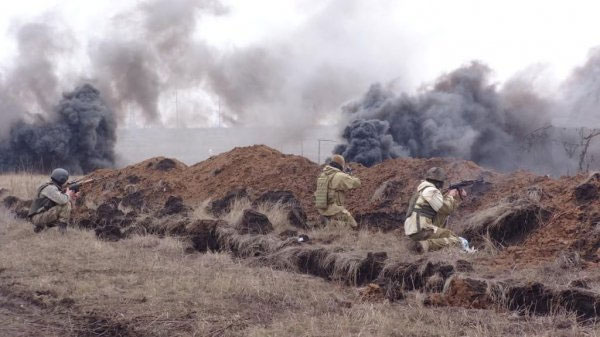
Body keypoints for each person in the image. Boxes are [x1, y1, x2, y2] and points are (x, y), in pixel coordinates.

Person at [404, 167, 468, 253]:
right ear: (439, 182)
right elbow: (446, 209)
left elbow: (438, 205)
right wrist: (451, 196)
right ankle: (425, 245)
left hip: (416, 229)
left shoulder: (423, 190)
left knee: (449, 234)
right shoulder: (431, 191)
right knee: (455, 240)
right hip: (421, 229)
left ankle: (423, 244)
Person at [314, 154, 361, 229]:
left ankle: (329, 224)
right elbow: (357, 183)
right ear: (341, 165)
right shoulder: (339, 176)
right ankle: (334, 226)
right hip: (335, 210)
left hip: (322, 209)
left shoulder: (323, 175)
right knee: (354, 226)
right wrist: (349, 175)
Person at [27, 168, 78, 234]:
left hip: (40, 215)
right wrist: (68, 194)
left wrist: (73, 196)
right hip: (37, 218)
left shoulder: (51, 186)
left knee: (66, 209)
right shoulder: (50, 188)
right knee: (66, 205)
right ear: (62, 179)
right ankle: (62, 231)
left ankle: (40, 228)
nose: (66, 182)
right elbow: (63, 200)